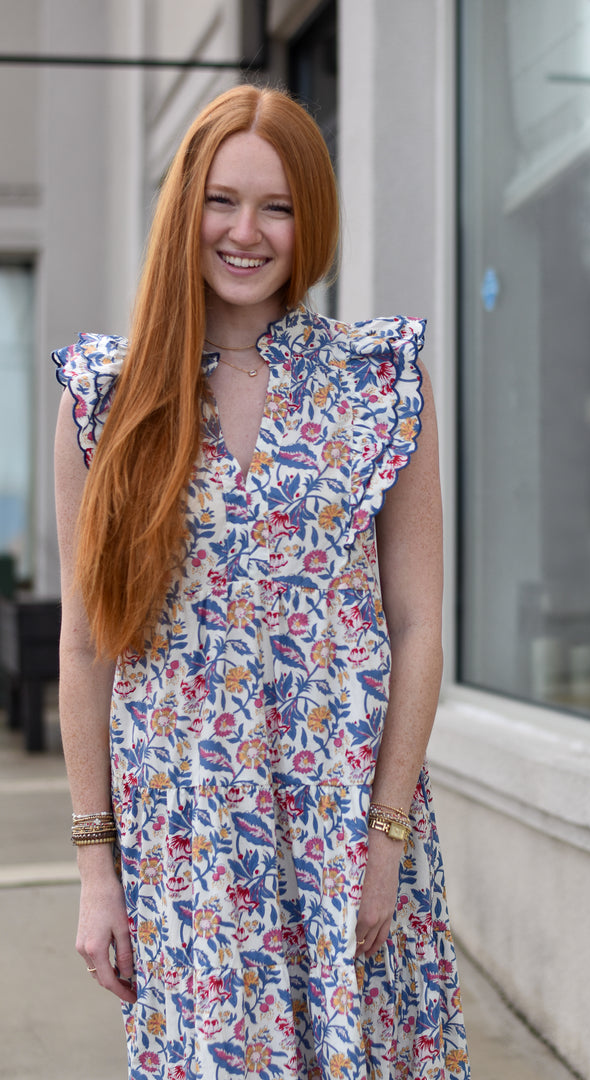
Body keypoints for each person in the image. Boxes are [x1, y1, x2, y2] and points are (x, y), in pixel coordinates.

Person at [54, 83, 470, 1080]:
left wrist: (384, 843)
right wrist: (93, 867)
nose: (247, 232)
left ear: (311, 218)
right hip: (186, 847)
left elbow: (418, 625)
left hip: (346, 829)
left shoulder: (381, 383)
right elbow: (84, 641)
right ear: (183, 207)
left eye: (278, 206)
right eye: (223, 199)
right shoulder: (106, 398)